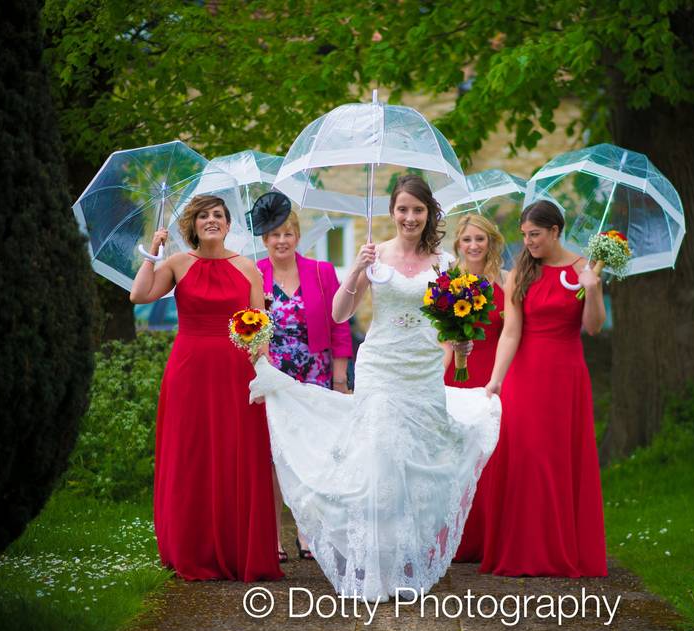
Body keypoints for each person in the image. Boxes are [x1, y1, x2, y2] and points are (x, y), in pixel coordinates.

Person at [247, 175, 500, 601]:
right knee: (381, 461)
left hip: (422, 373)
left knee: (416, 465)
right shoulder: (375, 255)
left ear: (428, 213)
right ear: (392, 212)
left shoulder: (444, 263)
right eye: (403, 209)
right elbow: (339, 313)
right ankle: (373, 569)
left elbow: (452, 323)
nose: (410, 217)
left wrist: (462, 340)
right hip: (381, 370)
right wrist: (357, 272)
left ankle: (405, 561)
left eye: (417, 210)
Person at [130, 194, 283, 582]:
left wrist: (262, 365)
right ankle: (192, 546)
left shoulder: (248, 268)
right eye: (203, 216)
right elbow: (139, 295)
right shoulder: (177, 264)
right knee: (192, 453)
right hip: (189, 371)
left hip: (236, 372)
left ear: (229, 225)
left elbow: (260, 328)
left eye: (218, 215)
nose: (211, 220)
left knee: (236, 453)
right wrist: (152, 250)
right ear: (194, 226)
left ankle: (235, 546)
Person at [481, 199, 608, 577]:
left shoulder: (584, 269)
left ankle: (560, 552)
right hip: (526, 374)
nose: (528, 242)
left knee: (559, 460)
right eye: (524, 235)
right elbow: (511, 331)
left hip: (566, 376)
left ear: (555, 231)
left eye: (535, 235)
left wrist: (594, 289)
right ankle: (524, 551)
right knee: (526, 458)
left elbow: (595, 327)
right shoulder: (519, 274)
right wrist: (496, 378)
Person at [252, 193, 353, 562]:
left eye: (288, 233)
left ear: (297, 236)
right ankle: (274, 536)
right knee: (275, 455)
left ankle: (308, 533)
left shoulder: (321, 272)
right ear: (264, 240)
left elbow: (340, 325)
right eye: (274, 234)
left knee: (314, 453)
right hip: (273, 373)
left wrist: (341, 380)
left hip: (315, 373)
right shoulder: (253, 274)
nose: (281, 240)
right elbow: (244, 327)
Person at [442, 214, 507, 563]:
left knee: (489, 455)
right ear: (458, 244)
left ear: (491, 242)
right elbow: (441, 340)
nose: (474, 245)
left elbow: (513, 333)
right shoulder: (449, 283)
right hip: (457, 373)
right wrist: (437, 379)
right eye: (467, 239)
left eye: (480, 239)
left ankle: (486, 539)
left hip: (493, 375)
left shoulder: (506, 281)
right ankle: (456, 538)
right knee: (456, 455)